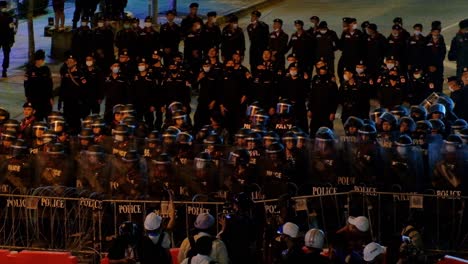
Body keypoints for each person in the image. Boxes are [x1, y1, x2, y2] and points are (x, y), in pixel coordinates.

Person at [24, 50, 54, 122]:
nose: (43, 61)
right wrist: (28, 97)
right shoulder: (30, 71)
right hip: (34, 99)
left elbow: (50, 84)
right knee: (36, 119)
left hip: (45, 99)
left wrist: (51, 97)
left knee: (48, 118)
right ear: (38, 60)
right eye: (42, 59)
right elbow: (26, 85)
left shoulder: (46, 69)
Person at [0, 0, 15, 77]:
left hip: (5, 38)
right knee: (6, 54)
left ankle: (4, 70)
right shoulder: (9, 16)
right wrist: (12, 40)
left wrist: (12, 39)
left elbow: (12, 29)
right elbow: (11, 29)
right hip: (5, 38)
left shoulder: (9, 17)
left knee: (6, 54)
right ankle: (4, 70)